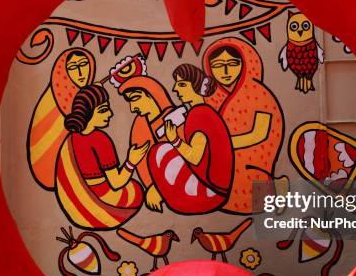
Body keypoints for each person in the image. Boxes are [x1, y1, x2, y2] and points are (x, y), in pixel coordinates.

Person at [202, 37, 285, 214]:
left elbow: (259, 135)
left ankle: (275, 188)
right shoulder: (212, 98)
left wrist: (221, 144)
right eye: (217, 65)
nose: (225, 70)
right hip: (223, 162)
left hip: (252, 161)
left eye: (232, 63)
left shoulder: (261, 95)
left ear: (245, 64)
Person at [54, 84, 148, 230]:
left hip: (76, 210)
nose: (110, 113)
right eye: (103, 110)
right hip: (100, 205)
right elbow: (116, 183)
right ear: (88, 114)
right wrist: (131, 162)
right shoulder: (100, 139)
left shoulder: (71, 138)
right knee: (136, 191)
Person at [146, 64, 234, 214]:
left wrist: (174, 140)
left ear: (196, 86)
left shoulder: (199, 114)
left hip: (209, 194)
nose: (175, 89)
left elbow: (195, 157)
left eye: (181, 84)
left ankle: (164, 194)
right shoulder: (204, 112)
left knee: (158, 152)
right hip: (217, 190)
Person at [27, 48, 96, 190]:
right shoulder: (59, 97)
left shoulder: (83, 95)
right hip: (52, 168)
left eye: (83, 65)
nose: (80, 72)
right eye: (73, 67)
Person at [119, 76, 186, 211]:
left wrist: (159, 187)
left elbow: (188, 159)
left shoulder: (177, 119)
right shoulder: (139, 126)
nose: (133, 108)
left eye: (135, 98)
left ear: (152, 94)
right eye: (130, 102)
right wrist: (152, 186)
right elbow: (143, 165)